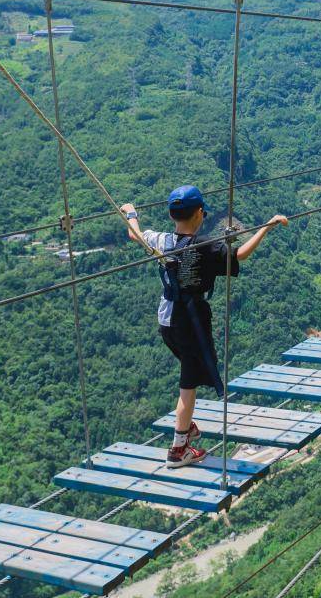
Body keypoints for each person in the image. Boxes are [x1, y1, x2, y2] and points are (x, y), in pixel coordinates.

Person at [121, 185, 288, 468]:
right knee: (188, 384)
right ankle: (178, 449)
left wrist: (131, 213)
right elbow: (239, 255)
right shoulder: (207, 246)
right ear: (199, 213)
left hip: (167, 320)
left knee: (191, 372)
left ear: (173, 215)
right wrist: (267, 228)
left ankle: (186, 428)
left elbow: (134, 233)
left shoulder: (162, 240)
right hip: (191, 321)